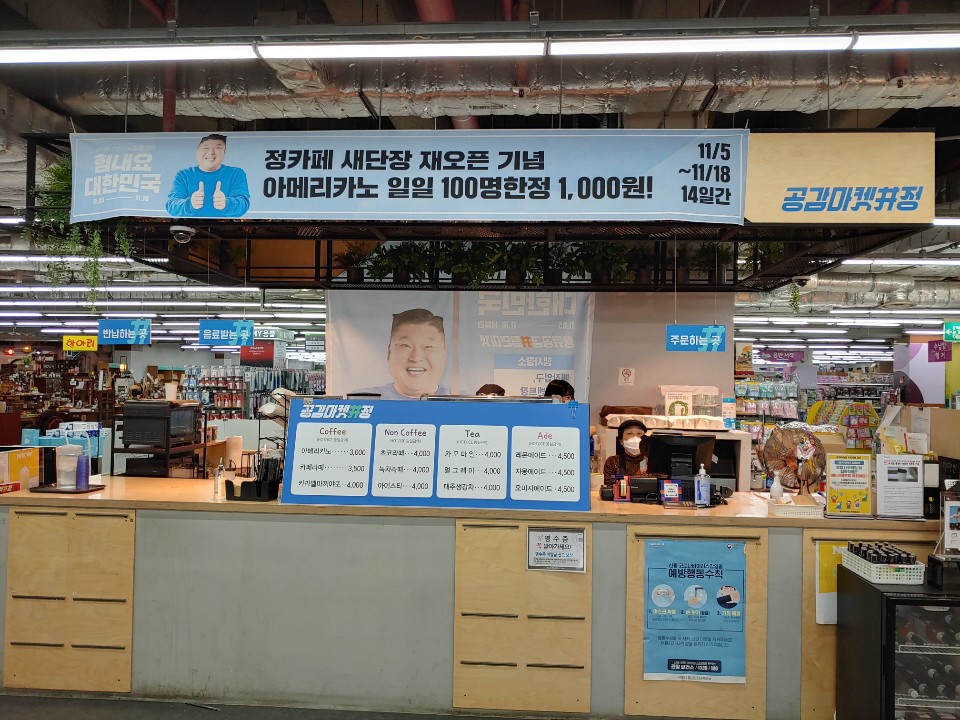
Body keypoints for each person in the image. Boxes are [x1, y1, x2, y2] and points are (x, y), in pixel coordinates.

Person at [352, 308, 449, 400]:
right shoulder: (363, 400)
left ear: (444, 355)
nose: (416, 357)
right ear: (389, 352)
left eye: (428, 346)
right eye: (405, 345)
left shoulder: (457, 401)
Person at [166, 133, 250, 218]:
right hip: (189, 224)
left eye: (218, 148)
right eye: (206, 148)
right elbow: (171, 206)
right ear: (197, 151)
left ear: (225, 152)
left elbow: (243, 205)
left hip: (227, 224)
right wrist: (190, 204)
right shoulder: (183, 175)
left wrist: (226, 203)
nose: (211, 152)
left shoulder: (236, 173)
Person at [603, 418, 649, 485]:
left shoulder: (653, 462)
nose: (635, 437)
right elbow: (608, 487)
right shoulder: (612, 462)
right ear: (621, 441)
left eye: (639, 433)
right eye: (629, 433)